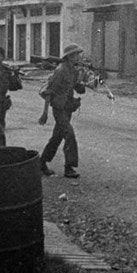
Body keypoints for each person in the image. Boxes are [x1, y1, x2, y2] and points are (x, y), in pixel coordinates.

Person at [38, 43, 86, 179]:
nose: (78, 57)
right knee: (69, 134)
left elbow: (76, 87)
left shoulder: (73, 70)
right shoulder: (60, 70)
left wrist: (82, 82)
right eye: (75, 54)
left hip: (68, 108)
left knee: (57, 137)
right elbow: (49, 91)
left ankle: (41, 163)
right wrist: (45, 112)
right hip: (59, 109)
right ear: (69, 56)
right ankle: (69, 167)